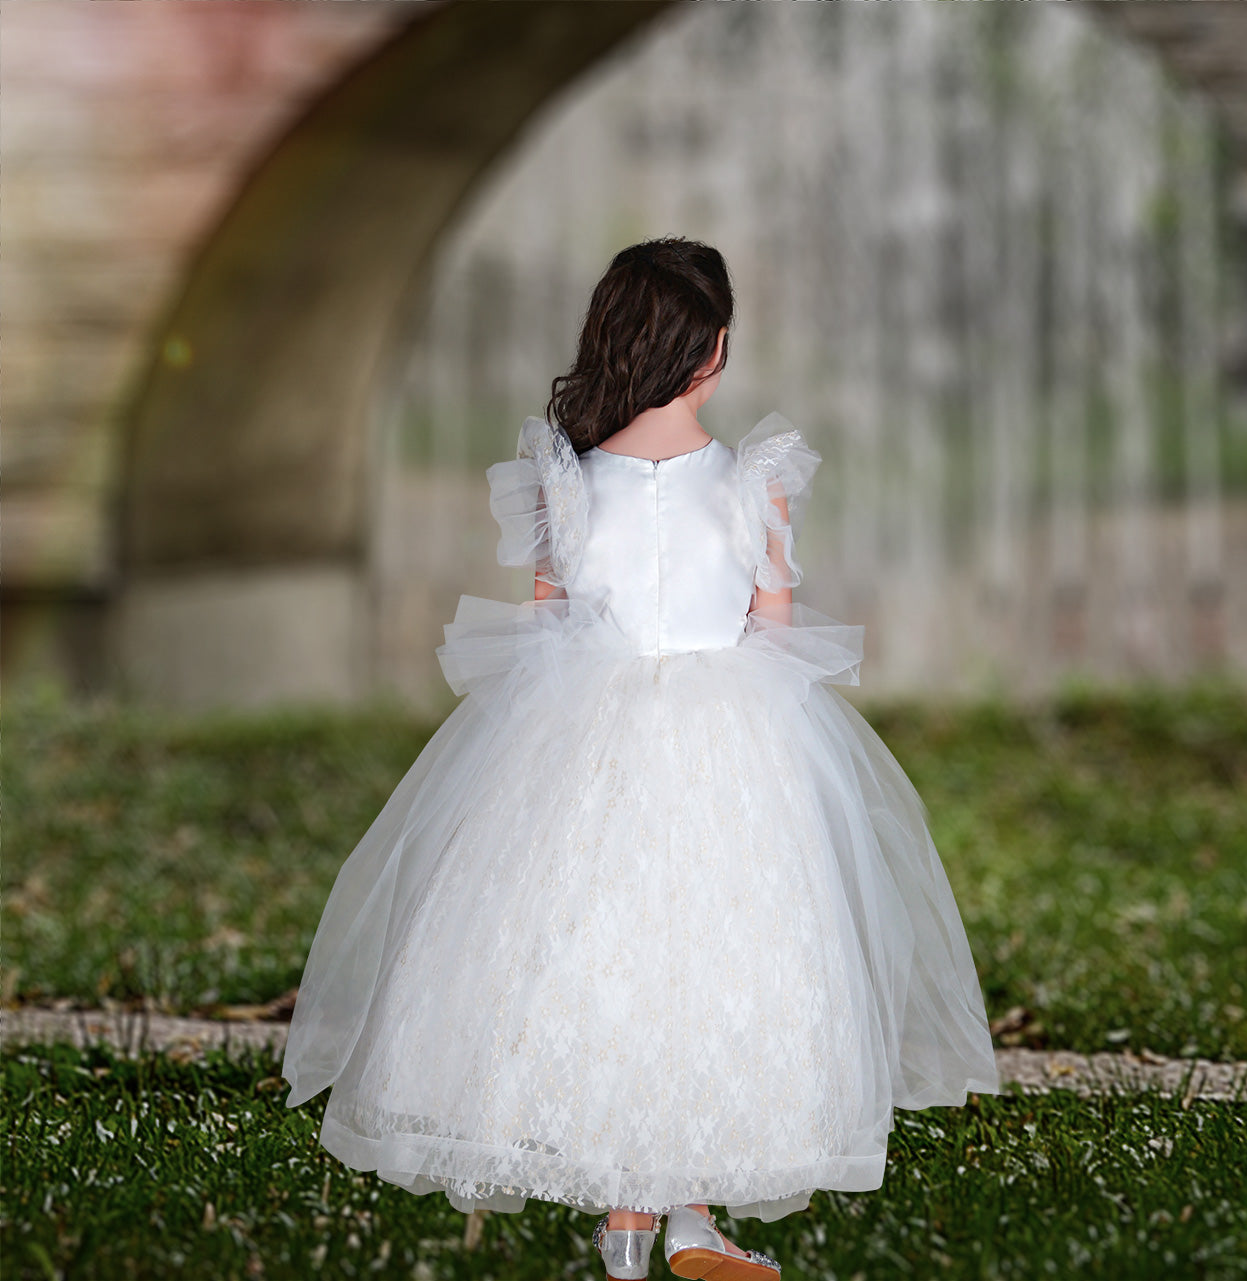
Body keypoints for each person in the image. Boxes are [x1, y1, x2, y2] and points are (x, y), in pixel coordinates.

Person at [281, 236, 1002, 1280]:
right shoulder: (756, 481)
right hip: (733, 734)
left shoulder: (562, 483)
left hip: (585, 732)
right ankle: (690, 1219)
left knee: (601, 953)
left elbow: (546, 617)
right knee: (717, 956)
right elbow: (775, 619)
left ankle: (632, 1220)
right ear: (712, 348)